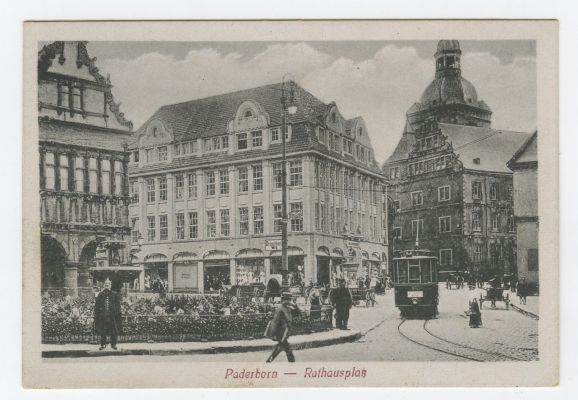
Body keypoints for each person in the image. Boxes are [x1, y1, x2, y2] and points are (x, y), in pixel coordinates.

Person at [265, 292, 300, 363]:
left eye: (289, 300)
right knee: (288, 351)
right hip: (280, 334)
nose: (288, 301)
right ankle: (292, 364)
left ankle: (268, 362)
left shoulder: (288, 308)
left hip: (285, 333)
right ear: (283, 300)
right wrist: (273, 334)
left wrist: (295, 305)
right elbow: (275, 322)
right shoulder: (280, 309)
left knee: (278, 351)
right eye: (287, 300)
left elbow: (298, 313)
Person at [94, 278, 122, 350]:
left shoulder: (114, 294)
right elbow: (96, 306)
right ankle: (103, 344)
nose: (107, 286)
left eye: (108, 284)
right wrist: (97, 315)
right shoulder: (100, 295)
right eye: (106, 284)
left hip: (112, 316)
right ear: (104, 285)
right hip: (103, 316)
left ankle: (113, 344)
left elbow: (118, 306)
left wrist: (117, 314)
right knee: (103, 331)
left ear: (110, 285)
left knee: (113, 331)